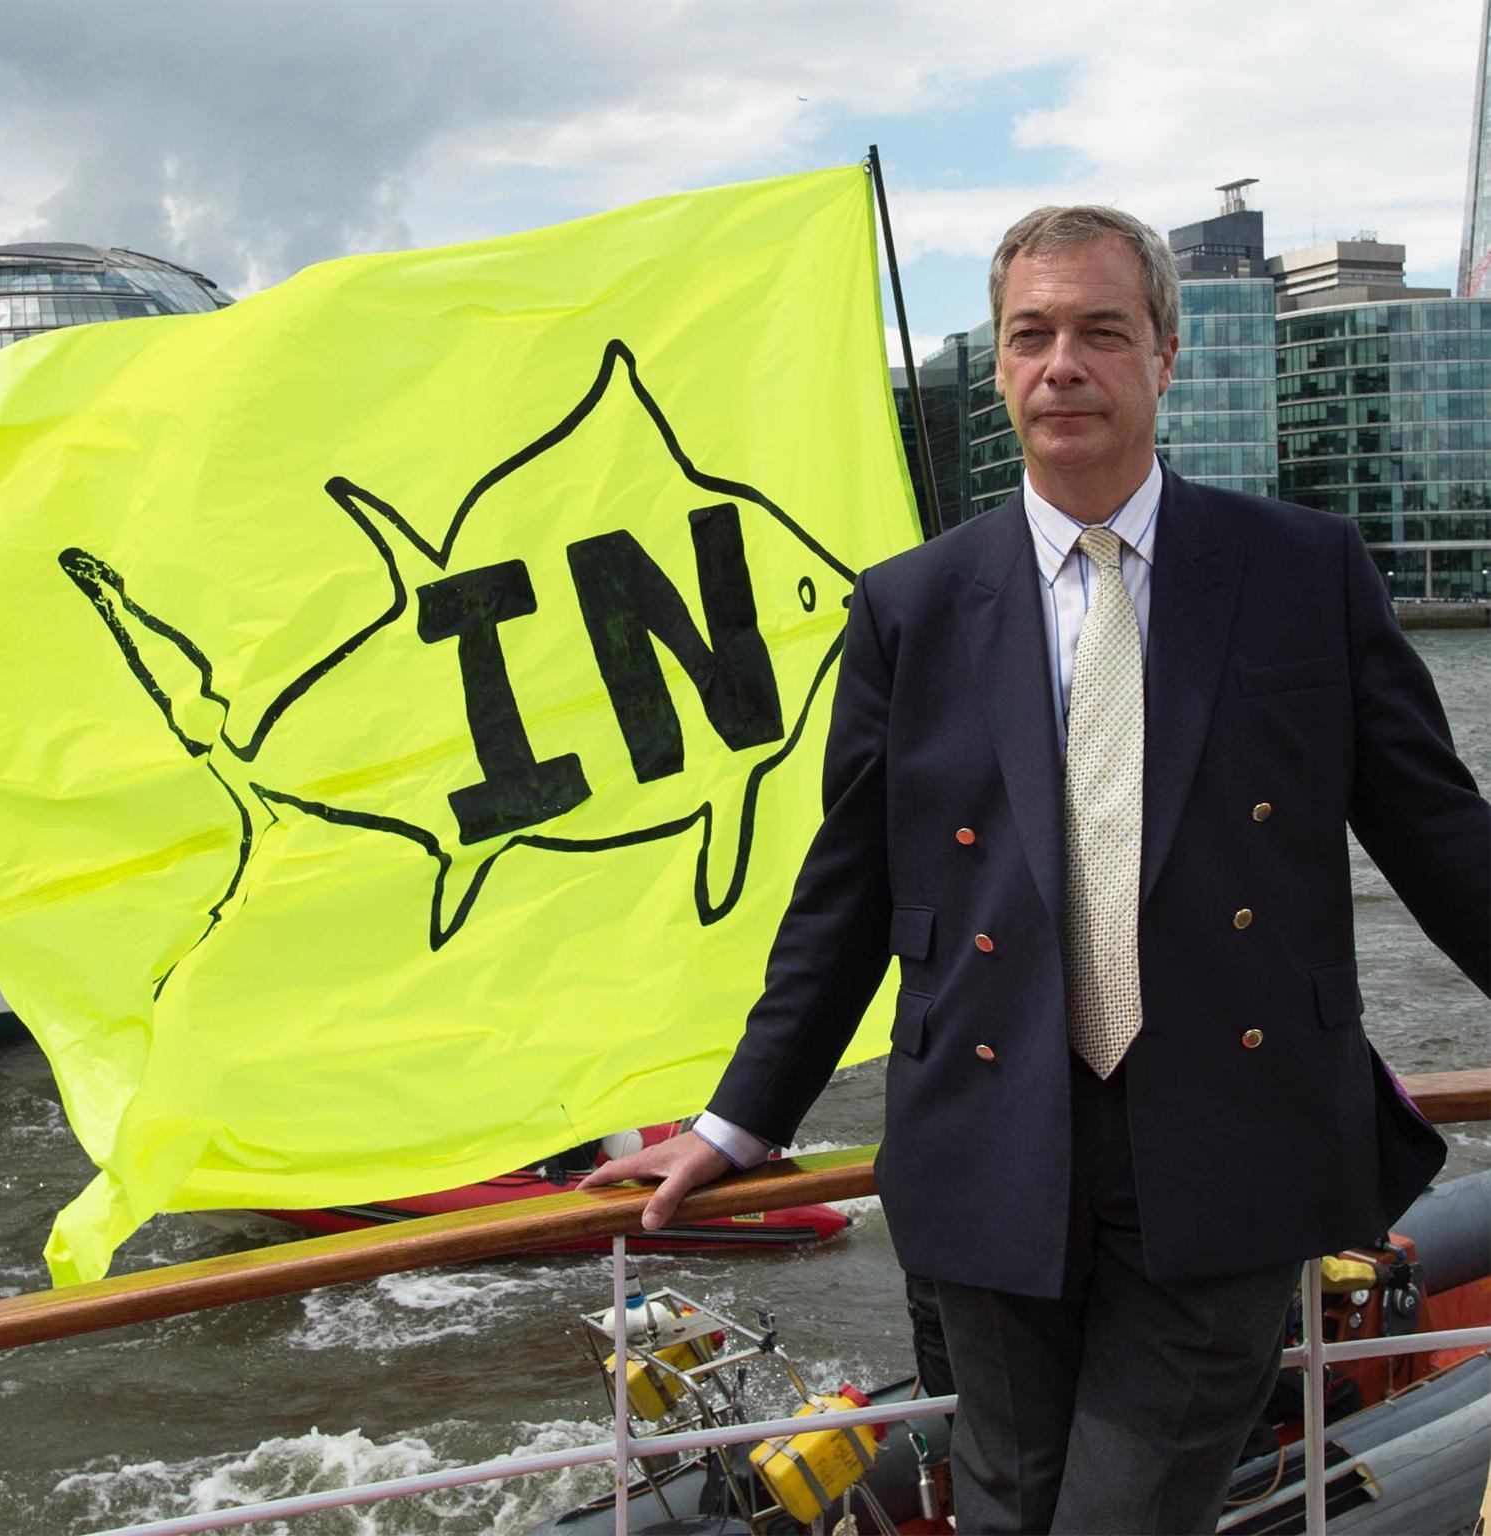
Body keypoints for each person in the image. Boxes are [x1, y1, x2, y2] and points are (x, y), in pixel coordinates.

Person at [582, 204, 1488, 1534]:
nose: (1063, 363)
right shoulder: (915, 606)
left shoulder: (1301, 573)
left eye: (1101, 331)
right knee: (1010, 1507)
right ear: (1003, 367)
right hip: (989, 1140)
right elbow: (852, 889)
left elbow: (1442, 836)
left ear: (1164, 356)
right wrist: (741, 1119)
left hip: (1228, 1135)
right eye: (1032, 334)